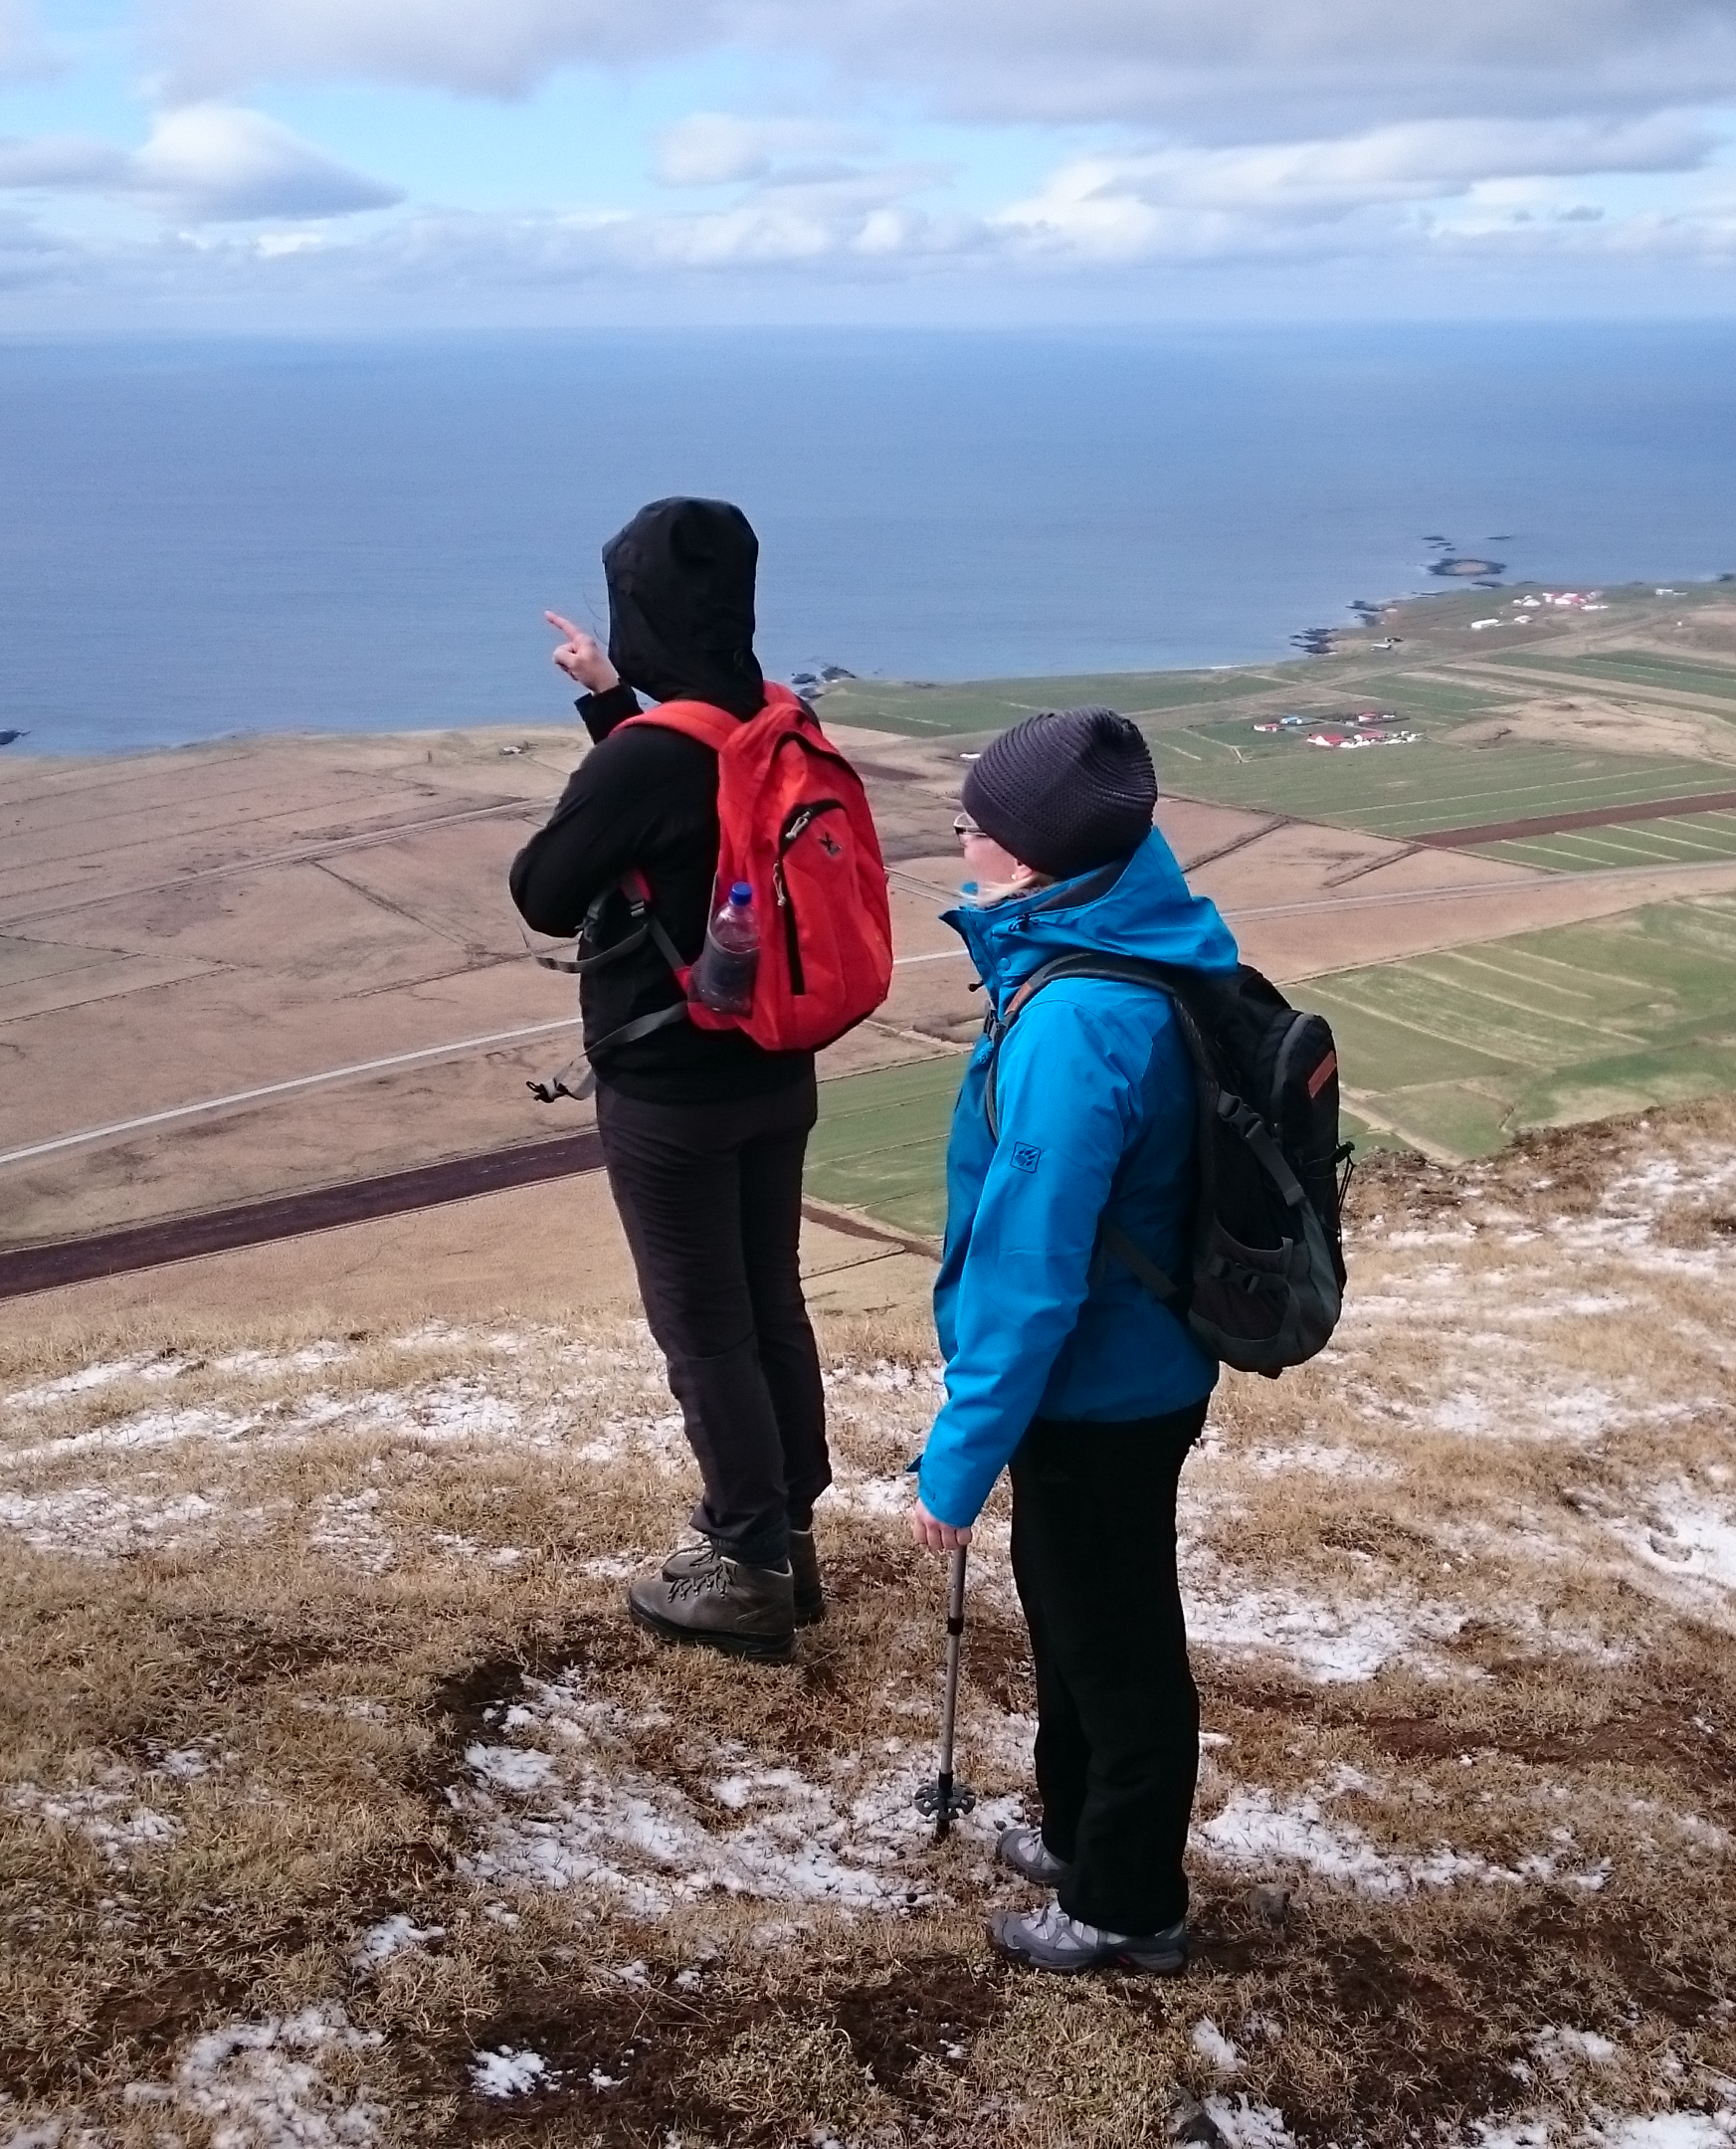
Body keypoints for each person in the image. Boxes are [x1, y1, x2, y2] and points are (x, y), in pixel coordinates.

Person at [909, 707, 1232, 1975]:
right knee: (1076, 1613)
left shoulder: (1074, 1022)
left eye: (976, 825)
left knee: (1118, 1642)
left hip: (1097, 1388)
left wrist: (959, 1454)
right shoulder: (1141, 934)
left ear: (1033, 863)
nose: (959, 838)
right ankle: (1078, 1833)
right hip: (1132, 1367)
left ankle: (1129, 1904)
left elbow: (1032, 1267)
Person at [508, 497, 832, 1662]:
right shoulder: (774, 719)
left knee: (704, 1329)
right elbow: (699, 820)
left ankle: (746, 1569)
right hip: (778, 1063)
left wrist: (612, 731)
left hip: (671, 1088)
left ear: (635, 607)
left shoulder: (650, 759)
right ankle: (789, 1532)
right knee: (767, 1301)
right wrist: (609, 699)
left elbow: (544, 890)